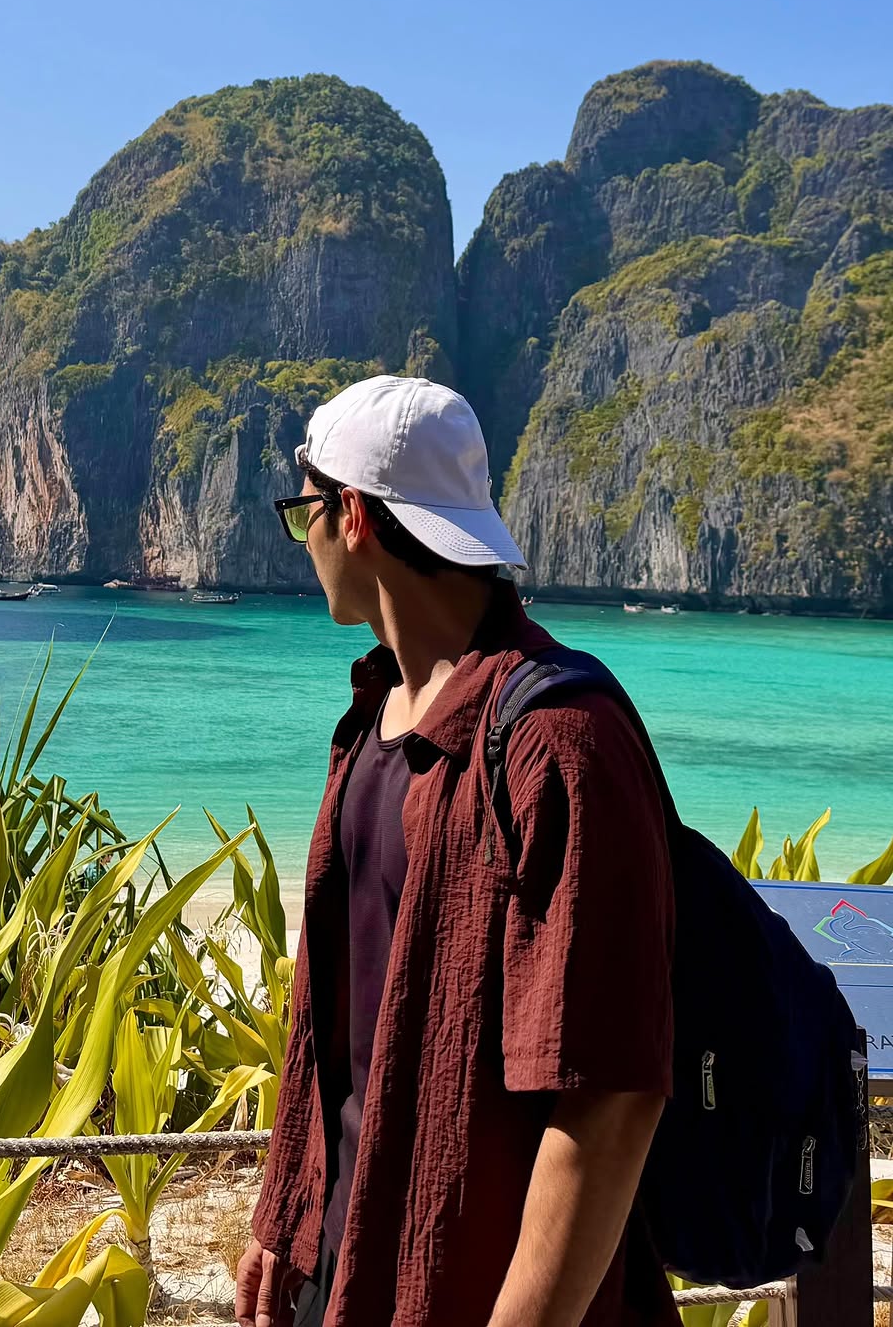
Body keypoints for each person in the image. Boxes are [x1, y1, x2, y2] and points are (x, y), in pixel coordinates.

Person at [236, 376, 674, 1327]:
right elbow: (340, 1015)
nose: (303, 541)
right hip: (348, 1259)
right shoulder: (375, 720)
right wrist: (288, 1215)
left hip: (468, 1283)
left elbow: (610, 1096)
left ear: (352, 515)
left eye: (303, 514)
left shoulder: (561, 740)